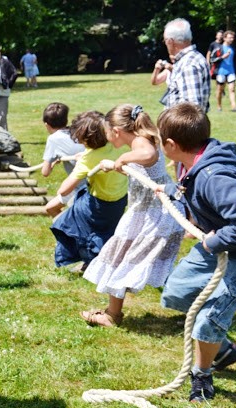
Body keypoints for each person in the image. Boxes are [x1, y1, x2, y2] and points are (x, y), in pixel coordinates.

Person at [157, 102, 236, 402]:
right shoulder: (195, 164)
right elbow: (195, 198)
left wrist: (215, 241)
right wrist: (171, 194)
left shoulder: (214, 175)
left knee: (208, 318)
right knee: (175, 293)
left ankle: (201, 375)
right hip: (220, 246)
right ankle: (222, 348)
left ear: (171, 145)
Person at [80, 104, 184, 327]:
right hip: (144, 213)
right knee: (121, 259)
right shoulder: (137, 143)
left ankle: (200, 303)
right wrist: (117, 164)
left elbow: (148, 154)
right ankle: (112, 314)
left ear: (115, 131)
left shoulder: (140, 144)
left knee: (146, 265)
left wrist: (123, 159)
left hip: (157, 216)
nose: (106, 137)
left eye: (107, 131)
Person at [49, 111, 127, 270]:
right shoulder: (118, 145)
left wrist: (81, 164)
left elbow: (63, 191)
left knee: (69, 225)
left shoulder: (88, 159)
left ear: (85, 139)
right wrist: (85, 156)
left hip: (98, 204)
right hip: (119, 202)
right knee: (104, 232)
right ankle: (93, 262)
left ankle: (90, 262)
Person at [40, 103, 85, 217]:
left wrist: (53, 163)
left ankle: (68, 228)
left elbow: (45, 172)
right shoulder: (76, 131)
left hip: (81, 185)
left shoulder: (53, 138)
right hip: (93, 178)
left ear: (46, 125)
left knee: (51, 208)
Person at [159, 18, 210, 112]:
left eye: (164, 40)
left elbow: (192, 111)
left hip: (182, 127)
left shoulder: (189, 64)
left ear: (170, 41)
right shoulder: (191, 59)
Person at [214, 30, 236, 112]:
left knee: (232, 89)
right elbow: (213, 59)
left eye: (232, 38)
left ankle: (234, 106)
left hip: (231, 71)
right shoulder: (219, 48)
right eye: (229, 38)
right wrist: (222, 57)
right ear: (224, 38)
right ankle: (219, 106)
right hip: (221, 72)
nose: (231, 39)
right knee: (220, 90)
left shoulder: (233, 48)